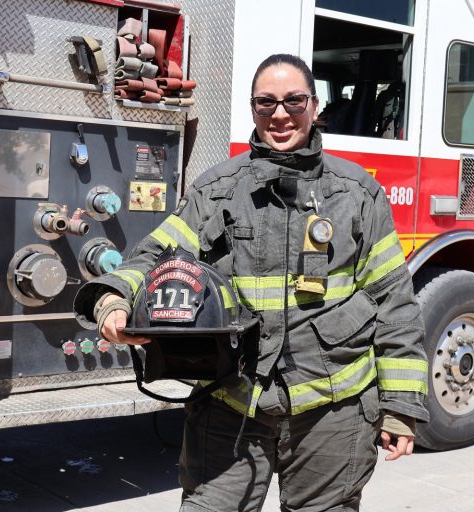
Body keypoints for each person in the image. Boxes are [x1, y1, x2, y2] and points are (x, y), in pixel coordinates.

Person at [74, 53, 429, 511]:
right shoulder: (217, 189)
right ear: (253, 110)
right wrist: (112, 299)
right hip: (231, 405)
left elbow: (395, 303)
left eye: (293, 101)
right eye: (266, 104)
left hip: (333, 411)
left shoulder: (357, 193)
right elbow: (154, 257)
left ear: (315, 107)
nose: (280, 114)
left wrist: (400, 406)